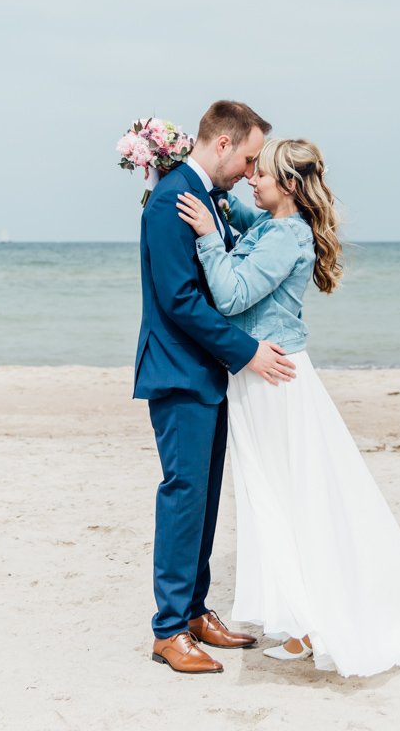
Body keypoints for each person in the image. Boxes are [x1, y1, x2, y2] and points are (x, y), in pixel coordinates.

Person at [175, 138, 400, 678]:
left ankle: (321, 621)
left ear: (290, 186)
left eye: (262, 173)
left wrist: (208, 239)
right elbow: (239, 205)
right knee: (283, 499)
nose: (251, 177)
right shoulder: (277, 222)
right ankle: (305, 621)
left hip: (275, 384)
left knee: (295, 500)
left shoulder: (285, 236)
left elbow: (230, 298)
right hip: (261, 379)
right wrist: (190, 176)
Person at [134, 101, 298, 675]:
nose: (251, 172)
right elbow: (179, 300)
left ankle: (197, 612)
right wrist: (248, 351)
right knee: (184, 496)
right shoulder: (171, 199)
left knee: (203, 499)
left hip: (207, 371)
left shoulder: (206, 198)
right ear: (223, 145)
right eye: (250, 158)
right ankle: (169, 630)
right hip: (179, 370)